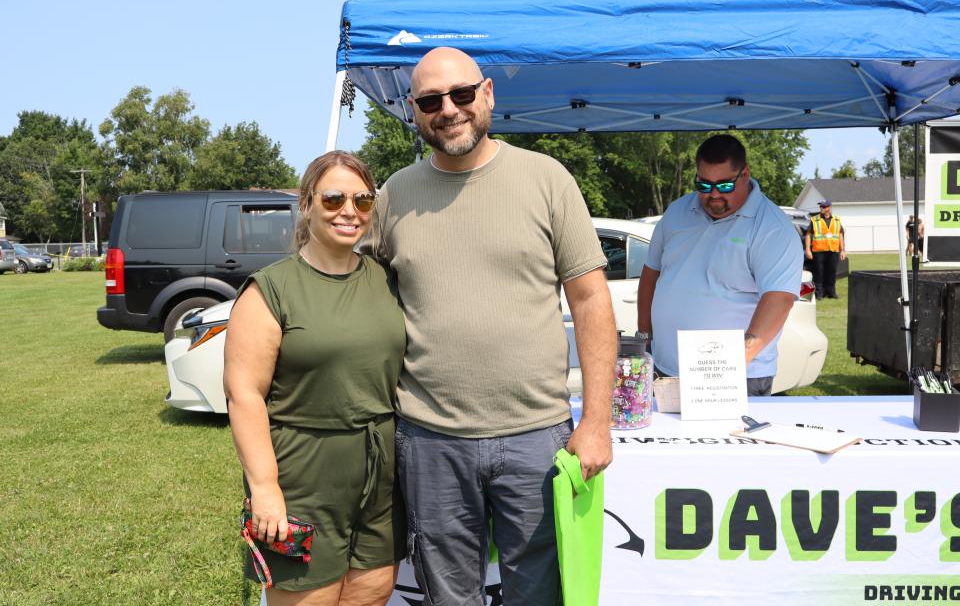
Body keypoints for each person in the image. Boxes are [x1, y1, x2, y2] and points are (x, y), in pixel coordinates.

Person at [362, 46, 616, 606]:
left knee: (541, 595)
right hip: (430, 441)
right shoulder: (394, 197)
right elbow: (354, 297)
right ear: (414, 109)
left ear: (488, 93)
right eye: (431, 100)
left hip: (537, 437)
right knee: (447, 597)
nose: (448, 109)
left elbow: (592, 299)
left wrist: (597, 420)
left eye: (461, 94)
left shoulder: (546, 178)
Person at [224, 152, 406, 605]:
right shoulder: (270, 289)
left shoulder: (385, 279)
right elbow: (244, 395)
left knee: (373, 591)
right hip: (301, 474)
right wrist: (265, 489)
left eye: (363, 200)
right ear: (306, 204)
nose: (349, 210)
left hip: (380, 473)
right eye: (333, 198)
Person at [636, 134, 802, 397]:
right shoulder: (677, 212)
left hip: (736, 377)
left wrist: (730, 367)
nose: (713, 195)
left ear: (745, 174)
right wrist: (644, 339)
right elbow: (650, 274)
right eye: (704, 185)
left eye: (724, 186)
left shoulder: (772, 227)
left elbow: (779, 299)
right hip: (665, 369)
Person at [805, 199, 846, 299]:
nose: (821, 208)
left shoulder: (837, 220)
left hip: (833, 250)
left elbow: (840, 235)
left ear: (828, 208)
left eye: (823, 207)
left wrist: (842, 250)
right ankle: (819, 293)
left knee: (832, 272)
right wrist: (808, 250)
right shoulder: (815, 220)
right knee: (819, 273)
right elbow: (808, 235)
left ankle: (831, 293)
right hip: (818, 251)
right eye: (820, 206)